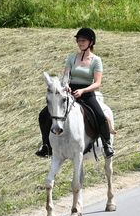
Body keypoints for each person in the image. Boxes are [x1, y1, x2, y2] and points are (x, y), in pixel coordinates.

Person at [36, 27, 113, 158]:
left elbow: (97, 83)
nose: (80, 43)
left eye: (83, 40)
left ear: (91, 42)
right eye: (78, 40)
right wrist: (66, 85)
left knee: (101, 116)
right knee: (44, 114)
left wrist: (83, 90)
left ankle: (106, 144)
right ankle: (46, 146)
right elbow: (66, 75)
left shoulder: (96, 60)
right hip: (70, 92)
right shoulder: (72, 58)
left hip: (87, 93)